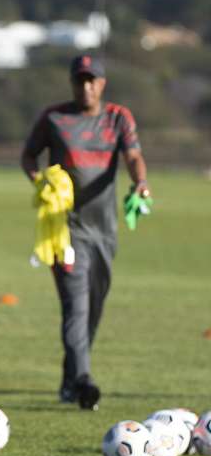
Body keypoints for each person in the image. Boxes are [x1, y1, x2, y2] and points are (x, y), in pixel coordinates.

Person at [21, 54, 149, 411]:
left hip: (105, 231)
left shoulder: (118, 118)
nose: (86, 86)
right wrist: (40, 180)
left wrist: (140, 183)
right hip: (66, 230)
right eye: (80, 80)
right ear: (72, 83)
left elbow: (133, 156)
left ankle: (70, 380)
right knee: (75, 305)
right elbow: (28, 156)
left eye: (92, 80)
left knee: (93, 306)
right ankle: (83, 381)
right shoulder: (54, 118)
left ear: (102, 83)